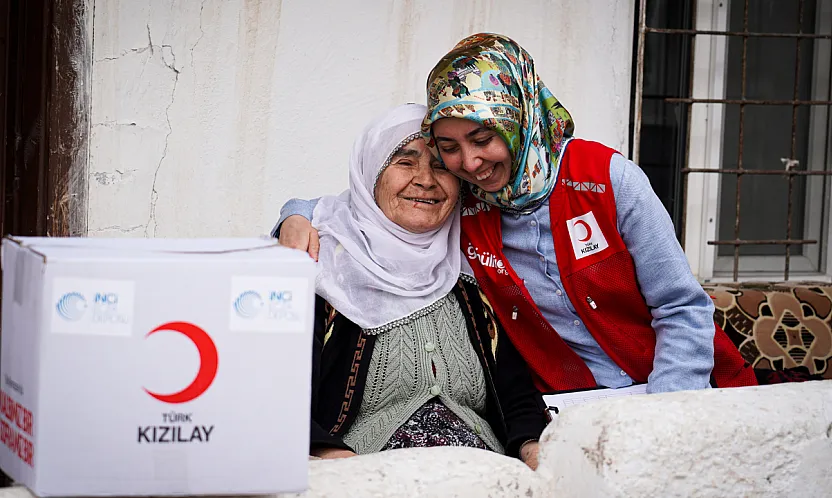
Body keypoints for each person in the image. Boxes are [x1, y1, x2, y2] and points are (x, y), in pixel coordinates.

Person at [275, 34, 758, 395]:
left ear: (520, 119)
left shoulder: (609, 180)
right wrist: (294, 218)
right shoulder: (465, 203)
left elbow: (680, 307)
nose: (469, 163)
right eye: (450, 148)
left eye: (482, 139)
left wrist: (664, 411)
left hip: (683, 393)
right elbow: (361, 205)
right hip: (572, 412)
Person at [299, 103, 548, 469]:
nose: (425, 180)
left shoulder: (473, 276)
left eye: (439, 166)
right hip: (365, 479)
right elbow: (281, 392)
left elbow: (518, 397)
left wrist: (534, 451)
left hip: (484, 477)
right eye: (404, 161)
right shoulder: (323, 271)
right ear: (372, 174)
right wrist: (336, 461)